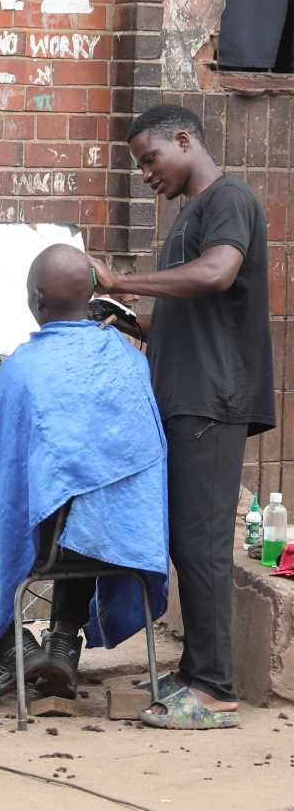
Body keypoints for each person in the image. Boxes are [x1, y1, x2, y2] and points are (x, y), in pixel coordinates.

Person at [0, 244, 169, 701]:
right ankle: (61, 642)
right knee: (85, 504)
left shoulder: (26, 370)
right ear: (92, 295)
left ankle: (9, 648)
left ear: (37, 299)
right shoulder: (130, 362)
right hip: (121, 542)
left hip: (49, 540)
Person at [91, 104, 274, 730]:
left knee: (201, 545)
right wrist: (121, 313)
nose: (145, 174)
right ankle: (195, 671)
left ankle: (217, 689)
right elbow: (176, 319)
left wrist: (126, 278)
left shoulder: (229, 198)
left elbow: (219, 274)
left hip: (210, 401)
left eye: (150, 159)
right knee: (183, 542)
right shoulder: (189, 218)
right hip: (182, 397)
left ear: (183, 139)